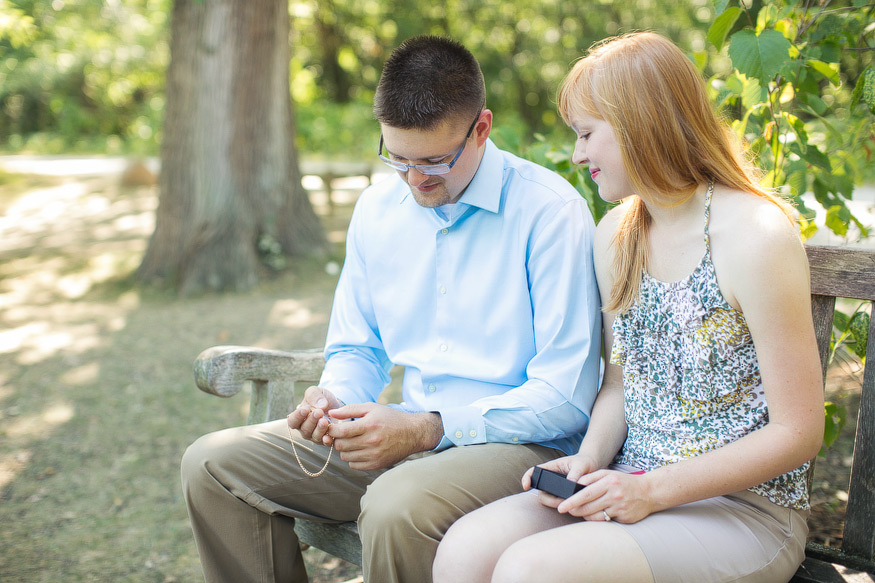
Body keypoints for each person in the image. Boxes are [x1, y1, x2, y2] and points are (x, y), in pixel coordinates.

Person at [181, 35, 602, 583]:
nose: (414, 179)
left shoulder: (550, 213)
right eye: (396, 158)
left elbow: (566, 398)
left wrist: (427, 429)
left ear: (482, 128)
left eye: (433, 161)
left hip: (520, 446)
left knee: (395, 503)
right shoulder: (379, 209)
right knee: (211, 465)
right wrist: (335, 398)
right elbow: (359, 346)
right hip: (404, 438)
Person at [433, 31, 824, 583]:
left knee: (531, 571)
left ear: (642, 124)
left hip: (743, 509)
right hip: (630, 483)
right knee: (463, 551)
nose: (577, 153)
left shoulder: (755, 236)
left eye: (587, 133)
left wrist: (650, 490)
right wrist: (589, 460)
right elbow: (621, 382)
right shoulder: (617, 233)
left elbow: (797, 432)